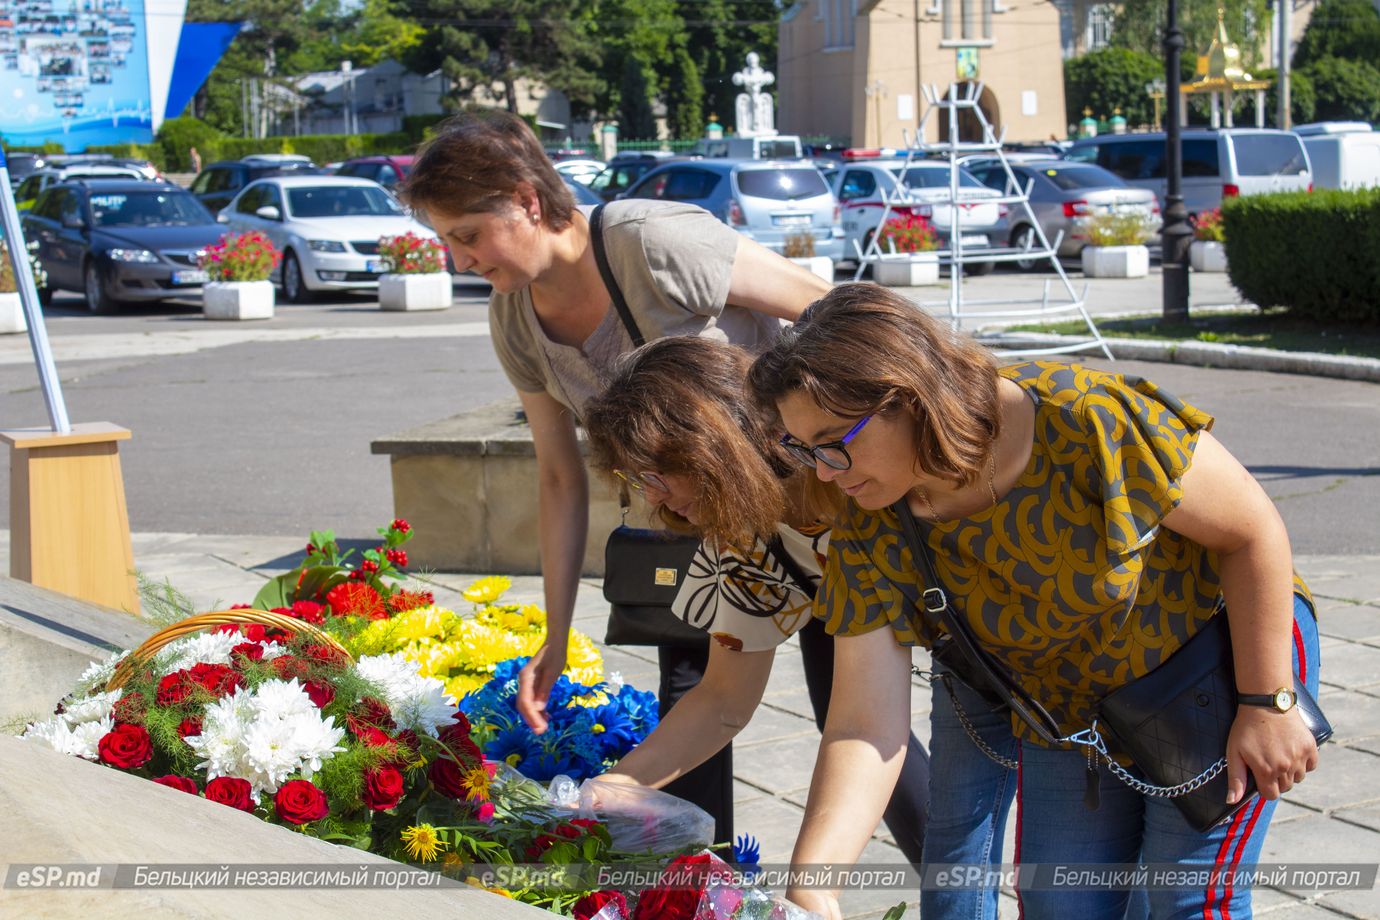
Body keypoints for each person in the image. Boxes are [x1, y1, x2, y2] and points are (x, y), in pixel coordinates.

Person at [745, 283, 1322, 920]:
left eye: (833, 441)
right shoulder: (868, 517)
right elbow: (862, 724)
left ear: (906, 397)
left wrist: (1269, 700)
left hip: (1216, 660)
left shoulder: (1082, 416)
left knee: (1184, 897)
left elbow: (1252, 531)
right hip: (1069, 703)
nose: (824, 471)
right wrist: (813, 885)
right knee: (1057, 902)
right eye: (806, 450)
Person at [398, 109, 834, 845]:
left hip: (821, 501)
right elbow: (561, 478)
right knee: (695, 695)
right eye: (447, 242)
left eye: (467, 235)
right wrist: (557, 635)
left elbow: (827, 310)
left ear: (525, 199)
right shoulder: (513, 319)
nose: (460, 260)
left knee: (848, 711)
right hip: (710, 527)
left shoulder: (649, 241)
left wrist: (846, 452)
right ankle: (702, 880)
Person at [582, 336, 929, 864]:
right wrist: (620, 784)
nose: (652, 496)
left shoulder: (851, 477)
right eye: (637, 479)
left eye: (657, 473)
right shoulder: (742, 531)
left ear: (711, 442)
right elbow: (723, 698)